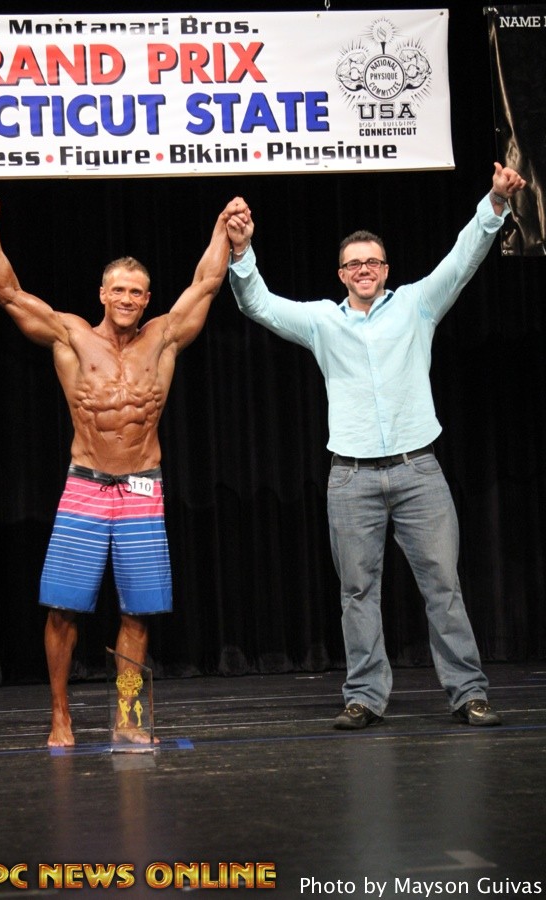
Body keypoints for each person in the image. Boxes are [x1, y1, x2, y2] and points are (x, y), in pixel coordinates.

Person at [226, 163, 526, 730]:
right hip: (351, 478)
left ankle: (469, 693)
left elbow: (463, 258)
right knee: (357, 592)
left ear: (386, 269)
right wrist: (242, 252)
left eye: (373, 262)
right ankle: (364, 696)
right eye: (354, 264)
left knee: (443, 588)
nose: (364, 270)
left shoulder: (416, 304)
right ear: (341, 274)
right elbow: (257, 304)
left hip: (418, 472)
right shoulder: (322, 321)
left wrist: (494, 202)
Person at [0, 193, 249, 747]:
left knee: (138, 612)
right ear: (103, 293)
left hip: (143, 487)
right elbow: (8, 293)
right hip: (86, 485)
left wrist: (223, 227)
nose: (127, 299)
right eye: (118, 290)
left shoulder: (163, 336)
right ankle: (60, 715)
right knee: (63, 609)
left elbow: (206, 284)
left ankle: (128, 715)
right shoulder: (71, 336)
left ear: (147, 298)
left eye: (136, 292)